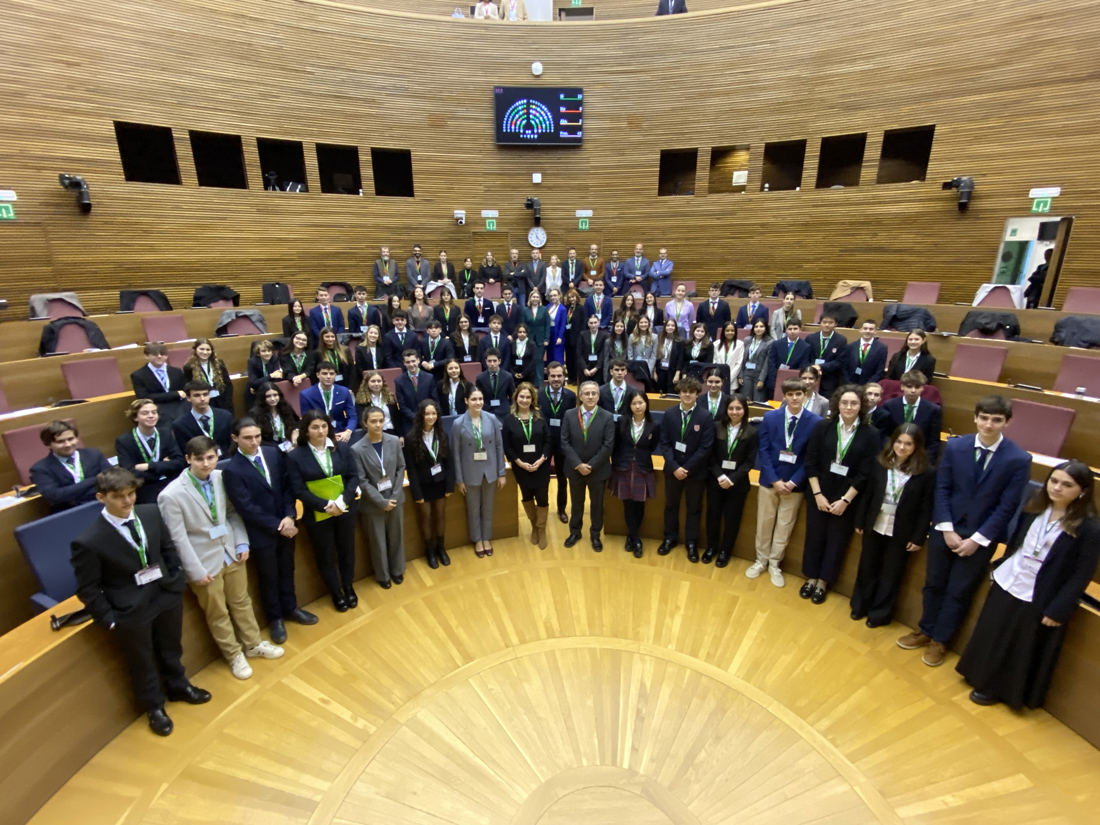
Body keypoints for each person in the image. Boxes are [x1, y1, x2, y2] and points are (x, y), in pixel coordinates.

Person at [70, 467, 209, 737]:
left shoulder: (150, 513)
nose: (127, 501)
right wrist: (108, 619)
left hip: (165, 595)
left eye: (131, 493)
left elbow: (168, 549)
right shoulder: (88, 541)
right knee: (141, 660)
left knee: (171, 647)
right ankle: (154, 707)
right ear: (101, 497)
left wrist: (176, 582)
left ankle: (179, 686)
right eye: (118, 496)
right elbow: (88, 587)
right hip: (129, 609)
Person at [898, 396, 1031, 667]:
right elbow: (943, 488)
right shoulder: (957, 446)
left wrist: (977, 540)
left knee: (959, 590)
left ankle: (941, 641)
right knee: (934, 583)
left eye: (996, 420)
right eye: (984, 418)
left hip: (980, 538)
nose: (989, 424)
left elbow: (1007, 507)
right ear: (975, 417)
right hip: (945, 530)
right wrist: (946, 528)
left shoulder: (1018, 459)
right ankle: (926, 629)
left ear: (1007, 422)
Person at [957, 460, 1100, 708]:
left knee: (1016, 643)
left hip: (1041, 592)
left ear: (1083, 491)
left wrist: (1059, 608)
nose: (1056, 488)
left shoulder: (1089, 529)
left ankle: (996, 689)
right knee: (991, 631)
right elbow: (1017, 543)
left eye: (1067, 485)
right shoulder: (1034, 506)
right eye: (1053, 481)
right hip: (1011, 578)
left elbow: (1081, 574)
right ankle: (976, 674)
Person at [158, 435, 284, 680]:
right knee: (218, 613)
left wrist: (242, 541)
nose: (206, 464)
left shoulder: (219, 477)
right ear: (188, 459)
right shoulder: (170, 495)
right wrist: (194, 571)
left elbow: (232, 513)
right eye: (199, 459)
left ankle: (253, 643)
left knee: (242, 601)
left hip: (231, 552)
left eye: (211, 457)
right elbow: (178, 539)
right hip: (203, 563)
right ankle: (234, 655)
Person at [223, 418, 316, 644]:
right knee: (269, 576)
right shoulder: (232, 469)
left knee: (287, 568)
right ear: (235, 438)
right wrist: (278, 525)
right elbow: (246, 508)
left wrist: (289, 516)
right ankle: (275, 618)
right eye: (248, 438)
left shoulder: (273, 453)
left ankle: (291, 607)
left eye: (257, 436)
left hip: (286, 523)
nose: (254, 442)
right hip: (262, 532)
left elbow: (286, 486)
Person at [850, 424, 935, 627]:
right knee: (867, 567)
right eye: (898, 442)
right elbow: (868, 494)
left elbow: (926, 508)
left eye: (908, 444)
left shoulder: (927, 473)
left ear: (916, 446)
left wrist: (918, 537)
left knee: (891, 573)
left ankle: (879, 614)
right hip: (875, 524)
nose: (902, 447)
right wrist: (860, 520)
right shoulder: (880, 463)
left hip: (902, 531)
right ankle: (860, 605)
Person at [800, 386, 880, 603]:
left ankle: (824, 581)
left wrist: (845, 500)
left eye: (854, 403)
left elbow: (866, 472)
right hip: (819, 493)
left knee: (836, 542)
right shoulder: (823, 426)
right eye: (844, 402)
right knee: (814, 537)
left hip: (846, 499)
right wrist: (817, 494)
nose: (849, 407)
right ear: (837, 404)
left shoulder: (871, 434)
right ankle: (811, 577)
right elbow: (811, 461)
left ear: (861, 406)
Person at [750, 378, 822, 587]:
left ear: (805, 395)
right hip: (770, 481)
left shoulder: (815, 421)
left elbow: (810, 457)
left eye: (798, 394)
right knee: (764, 523)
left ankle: (774, 564)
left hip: (794, 484)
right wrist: (774, 479)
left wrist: (792, 482)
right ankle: (760, 560)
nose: (794, 398)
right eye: (790, 394)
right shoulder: (770, 417)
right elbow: (763, 450)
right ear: (784, 396)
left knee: (784, 526)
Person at [287, 410, 360, 614]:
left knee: (347, 551)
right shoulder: (295, 456)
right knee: (325, 556)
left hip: (344, 509)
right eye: (315, 427)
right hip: (317, 514)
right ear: (306, 430)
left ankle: (348, 587)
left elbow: (353, 478)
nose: (320, 431)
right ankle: (336, 593)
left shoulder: (342, 448)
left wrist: (341, 501)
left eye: (324, 426)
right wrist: (325, 505)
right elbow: (298, 489)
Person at [657, 376, 715, 561]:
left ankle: (691, 543)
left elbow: (706, 448)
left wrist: (686, 468)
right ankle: (669, 538)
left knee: (694, 509)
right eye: (684, 391)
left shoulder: (705, 417)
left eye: (691, 392)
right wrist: (675, 467)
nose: (687, 395)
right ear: (679, 393)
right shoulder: (669, 414)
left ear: (698, 394)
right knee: (671, 506)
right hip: (672, 470)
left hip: (695, 473)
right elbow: (664, 443)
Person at [351, 406, 407, 589]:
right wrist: (382, 501)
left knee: (396, 536)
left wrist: (395, 495)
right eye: (373, 421)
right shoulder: (357, 449)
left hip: (395, 498)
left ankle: (397, 570)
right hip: (373, 503)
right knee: (378, 542)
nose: (378, 425)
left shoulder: (393, 441)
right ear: (365, 423)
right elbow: (362, 480)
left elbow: (400, 468)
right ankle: (383, 575)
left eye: (381, 421)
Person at [450, 387, 507, 558]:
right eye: (474, 399)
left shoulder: (492, 419)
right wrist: (459, 479)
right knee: (473, 508)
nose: (478, 403)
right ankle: (477, 539)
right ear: (466, 401)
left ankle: (486, 537)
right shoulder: (458, 423)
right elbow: (456, 454)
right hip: (470, 472)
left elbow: (498, 446)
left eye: (480, 399)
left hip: (490, 470)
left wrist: (501, 472)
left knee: (488, 506)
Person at [561, 381, 616, 551]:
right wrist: (578, 464)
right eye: (587, 393)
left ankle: (595, 534)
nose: (590, 396)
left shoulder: (607, 417)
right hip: (575, 469)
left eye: (594, 393)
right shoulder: (569, 414)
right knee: (576, 503)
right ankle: (575, 531)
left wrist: (590, 466)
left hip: (597, 470)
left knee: (597, 504)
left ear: (598, 396)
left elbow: (608, 446)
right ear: (580, 396)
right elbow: (564, 442)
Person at [705, 395, 758, 566]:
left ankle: (725, 551)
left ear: (745, 410)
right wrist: (720, 476)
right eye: (731, 408)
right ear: (726, 410)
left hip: (738, 484)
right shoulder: (715, 427)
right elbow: (710, 455)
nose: (734, 412)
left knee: (732, 519)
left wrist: (732, 479)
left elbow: (749, 462)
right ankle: (711, 547)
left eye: (738, 409)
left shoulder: (752, 432)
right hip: (716, 480)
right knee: (712, 516)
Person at [403, 399, 454, 569]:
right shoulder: (411, 438)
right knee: (426, 517)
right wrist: (416, 493)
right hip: (423, 485)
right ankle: (429, 551)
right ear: (421, 415)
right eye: (427, 413)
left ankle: (441, 548)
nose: (431, 416)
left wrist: (449, 485)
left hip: (440, 482)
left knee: (440, 515)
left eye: (434, 413)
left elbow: (449, 462)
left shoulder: (442, 433)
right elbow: (410, 468)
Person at [503, 382, 552, 549]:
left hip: (541, 465)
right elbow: (507, 446)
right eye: (521, 396)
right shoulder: (509, 420)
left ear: (533, 399)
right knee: (527, 496)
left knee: (543, 497)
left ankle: (542, 529)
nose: (524, 400)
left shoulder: (540, 416)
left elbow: (548, 440)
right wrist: (519, 462)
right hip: (521, 466)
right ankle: (533, 527)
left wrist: (543, 459)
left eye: (528, 397)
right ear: (516, 398)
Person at [610, 393, 659, 557]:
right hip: (623, 467)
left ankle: (632, 536)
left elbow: (652, 446)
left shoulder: (654, 425)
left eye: (641, 403)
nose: (638, 406)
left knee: (640, 504)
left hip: (643, 467)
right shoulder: (622, 422)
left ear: (646, 404)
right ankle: (636, 539)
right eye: (634, 403)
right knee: (628, 504)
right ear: (629, 406)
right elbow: (616, 444)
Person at [30, 420, 112, 512]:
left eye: (70, 439)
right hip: (70, 512)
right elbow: (55, 496)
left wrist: (70, 492)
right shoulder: (40, 468)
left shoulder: (94, 454)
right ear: (48, 445)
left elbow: (111, 480)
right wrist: (96, 479)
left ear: (77, 438)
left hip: (102, 505)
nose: (68, 444)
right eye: (60, 441)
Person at [115, 398, 185, 504]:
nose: (151, 416)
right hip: (146, 488)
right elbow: (129, 471)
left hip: (171, 483)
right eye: (145, 413)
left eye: (154, 412)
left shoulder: (166, 434)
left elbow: (179, 461)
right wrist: (163, 467)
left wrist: (149, 466)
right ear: (135, 417)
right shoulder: (124, 441)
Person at [539, 362, 577, 524]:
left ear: (564, 377)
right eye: (553, 376)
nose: (556, 379)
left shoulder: (571, 396)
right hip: (544, 443)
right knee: (543, 479)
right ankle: (543, 508)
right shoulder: (540, 395)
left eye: (559, 376)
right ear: (547, 376)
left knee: (562, 479)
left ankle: (561, 509)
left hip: (563, 443)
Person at [878, 370, 943, 464]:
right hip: (893, 453)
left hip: (918, 458)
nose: (913, 390)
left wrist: (926, 462)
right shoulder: (889, 405)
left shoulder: (933, 410)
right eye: (909, 386)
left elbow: (934, 441)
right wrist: (891, 452)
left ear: (922, 388)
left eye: (917, 387)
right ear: (902, 386)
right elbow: (884, 434)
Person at [171, 381, 233, 455]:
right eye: (197, 395)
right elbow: (185, 451)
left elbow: (231, 443)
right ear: (188, 398)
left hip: (225, 461)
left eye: (205, 394)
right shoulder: (180, 424)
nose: (202, 399)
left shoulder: (225, 416)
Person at [300, 363, 357, 441]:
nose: (328, 377)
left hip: (341, 432)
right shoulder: (306, 395)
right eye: (324, 373)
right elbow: (307, 420)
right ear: (317, 375)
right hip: (319, 433)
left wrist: (348, 431)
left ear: (335, 375)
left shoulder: (344, 392)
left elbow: (352, 416)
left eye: (331, 374)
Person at [129, 342, 186, 420]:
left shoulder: (176, 371)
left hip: (180, 408)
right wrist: (174, 394)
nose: (159, 356)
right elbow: (143, 397)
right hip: (157, 410)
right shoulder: (138, 375)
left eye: (162, 354)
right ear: (146, 356)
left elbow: (184, 391)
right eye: (155, 354)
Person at [764, 318, 812, 400]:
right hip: (776, 380)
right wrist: (773, 381)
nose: (792, 331)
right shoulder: (776, 344)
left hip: (794, 382)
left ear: (800, 330)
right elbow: (771, 363)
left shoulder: (806, 347)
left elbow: (803, 365)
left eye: (795, 329)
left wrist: (794, 381)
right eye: (790, 329)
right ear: (786, 330)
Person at [183, 338, 233, 414]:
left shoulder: (219, 363)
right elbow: (188, 388)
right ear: (195, 350)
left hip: (222, 401)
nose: (205, 352)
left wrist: (228, 402)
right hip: (203, 402)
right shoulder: (189, 367)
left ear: (212, 351)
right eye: (202, 349)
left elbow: (228, 384)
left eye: (208, 349)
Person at [805, 312, 848, 399]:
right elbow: (806, 357)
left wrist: (821, 367)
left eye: (830, 322)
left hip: (830, 379)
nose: (827, 325)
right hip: (811, 377)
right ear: (820, 323)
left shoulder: (841, 340)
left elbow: (840, 361)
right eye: (824, 322)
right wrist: (813, 368)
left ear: (835, 324)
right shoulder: (811, 338)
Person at [249, 381, 299, 451]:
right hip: (269, 449)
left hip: (290, 446)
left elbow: (298, 423)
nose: (272, 399)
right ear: (262, 398)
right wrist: (280, 449)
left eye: (275, 395)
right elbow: (257, 439)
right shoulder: (255, 413)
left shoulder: (286, 407)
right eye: (268, 396)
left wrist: (295, 432)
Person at [396, 348, 438, 431]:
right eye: (408, 362)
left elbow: (435, 400)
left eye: (413, 361)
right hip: (410, 423)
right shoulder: (399, 381)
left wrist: (427, 416)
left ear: (418, 360)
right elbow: (402, 406)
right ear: (404, 363)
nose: (411, 364)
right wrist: (416, 418)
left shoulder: (429, 378)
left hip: (429, 420)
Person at [355, 370, 401, 438]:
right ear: (367, 383)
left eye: (379, 381)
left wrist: (400, 435)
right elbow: (361, 420)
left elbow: (397, 418)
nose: (376, 384)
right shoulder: (361, 400)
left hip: (391, 432)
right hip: (371, 434)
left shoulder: (390, 397)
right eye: (373, 381)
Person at [845, 319, 888, 385]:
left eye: (871, 329)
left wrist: (869, 384)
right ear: (860, 330)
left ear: (875, 331)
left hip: (870, 385)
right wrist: (849, 383)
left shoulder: (882, 348)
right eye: (865, 328)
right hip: (851, 383)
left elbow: (880, 370)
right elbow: (845, 368)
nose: (868, 331)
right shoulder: (851, 346)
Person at [522, 289, 550, 388]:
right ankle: (530, 384)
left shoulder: (544, 309)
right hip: (528, 340)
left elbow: (547, 325)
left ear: (539, 299)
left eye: (537, 297)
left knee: (539, 361)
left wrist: (546, 339)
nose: (535, 298)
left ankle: (539, 384)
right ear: (530, 298)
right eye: (533, 297)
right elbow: (523, 325)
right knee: (529, 361)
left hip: (541, 340)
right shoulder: (525, 310)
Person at [740, 318, 773, 402]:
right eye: (756, 326)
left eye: (761, 326)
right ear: (753, 328)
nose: (758, 329)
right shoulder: (747, 340)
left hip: (759, 375)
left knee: (758, 401)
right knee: (745, 400)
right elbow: (741, 359)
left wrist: (761, 379)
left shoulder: (770, 342)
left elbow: (767, 363)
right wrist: (740, 375)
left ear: (766, 328)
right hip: (746, 373)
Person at [475, 348, 515, 417]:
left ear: (499, 361)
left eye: (494, 361)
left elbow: (512, 396)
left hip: (504, 412)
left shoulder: (508, 376)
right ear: (486, 361)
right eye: (489, 361)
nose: (492, 364)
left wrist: (510, 409)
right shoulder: (480, 378)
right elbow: (479, 396)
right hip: (487, 412)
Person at [598, 358, 637, 424]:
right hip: (606, 426)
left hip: (625, 426)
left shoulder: (632, 391)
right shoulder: (601, 390)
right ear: (611, 372)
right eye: (616, 370)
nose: (620, 373)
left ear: (626, 372)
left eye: (622, 370)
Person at [245, 340, 284, 405]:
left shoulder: (275, 359)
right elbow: (253, 382)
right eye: (263, 351)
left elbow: (277, 378)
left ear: (272, 352)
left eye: (269, 351)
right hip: (254, 394)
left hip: (268, 390)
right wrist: (271, 376)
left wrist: (258, 386)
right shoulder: (252, 362)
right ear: (258, 353)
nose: (267, 353)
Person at [654, 316, 685, 394]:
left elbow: (680, 359)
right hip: (660, 370)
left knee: (671, 393)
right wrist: (654, 372)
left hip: (672, 371)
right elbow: (655, 356)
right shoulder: (659, 339)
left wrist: (677, 374)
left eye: (672, 325)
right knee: (659, 393)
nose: (670, 327)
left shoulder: (679, 341)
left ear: (675, 327)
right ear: (665, 327)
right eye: (668, 325)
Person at [577, 313, 609, 385]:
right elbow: (578, 353)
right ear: (588, 324)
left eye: (595, 322)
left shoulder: (604, 335)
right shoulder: (582, 334)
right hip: (585, 366)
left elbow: (603, 353)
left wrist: (596, 368)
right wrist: (584, 368)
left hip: (598, 367)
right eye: (591, 323)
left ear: (599, 323)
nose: (593, 325)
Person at [628, 314, 658, 387]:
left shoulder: (654, 337)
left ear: (648, 324)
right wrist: (633, 367)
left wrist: (649, 369)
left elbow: (654, 355)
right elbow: (630, 354)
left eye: (645, 322)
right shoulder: (632, 337)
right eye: (641, 322)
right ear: (638, 324)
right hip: (635, 367)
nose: (643, 324)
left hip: (648, 366)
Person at [563, 289, 584, 382]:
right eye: (570, 297)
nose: (571, 299)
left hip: (577, 336)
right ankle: (570, 376)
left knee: (576, 358)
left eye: (573, 297)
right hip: (567, 336)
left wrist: (581, 336)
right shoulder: (566, 308)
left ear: (577, 297)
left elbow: (583, 323)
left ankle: (576, 377)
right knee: (568, 358)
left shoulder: (581, 308)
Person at [545, 288, 567, 366]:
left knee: (557, 356)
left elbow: (563, 324)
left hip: (557, 333)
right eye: (551, 296)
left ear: (559, 296)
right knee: (550, 355)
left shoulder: (562, 309)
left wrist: (560, 337)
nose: (553, 297)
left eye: (555, 295)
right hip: (549, 332)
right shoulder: (548, 306)